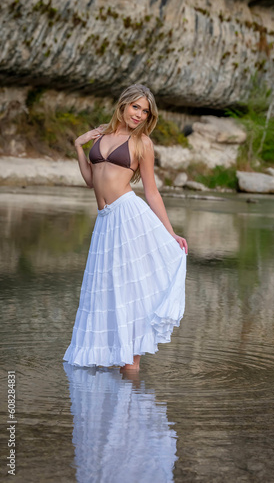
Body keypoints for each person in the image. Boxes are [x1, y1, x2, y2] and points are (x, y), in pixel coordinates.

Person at [63, 84, 188, 372]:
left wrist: (170, 232)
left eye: (145, 111)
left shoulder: (142, 143)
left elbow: (152, 192)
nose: (140, 115)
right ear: (123, 105)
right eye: (136, 107)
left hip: (129, 217)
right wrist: (78, 147)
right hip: (106, 221)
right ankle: (118, 367)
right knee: (105, 290)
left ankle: (132, 367)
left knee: (130, 289)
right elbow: (90, 181)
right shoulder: (101, 135)